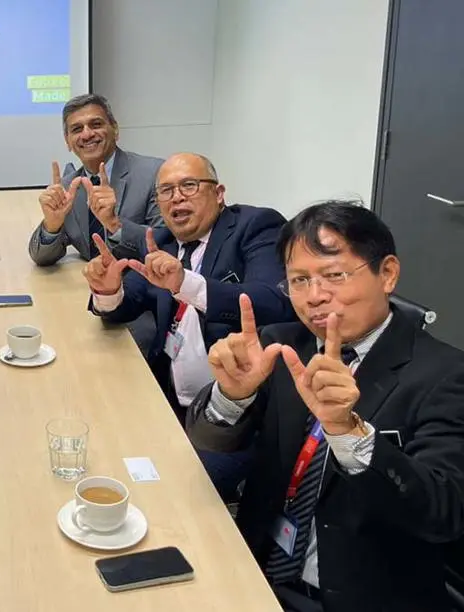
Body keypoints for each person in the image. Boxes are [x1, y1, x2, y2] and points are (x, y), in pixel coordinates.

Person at [187, 201, 464, 611]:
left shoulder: (446, 374)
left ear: (387, 273)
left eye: (334, 275)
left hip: (362, 596)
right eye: (299, 280)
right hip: (255, 572)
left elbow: (443, 511)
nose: (314, 297)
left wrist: (349, 432)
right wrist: (232, 396)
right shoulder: (281, 343)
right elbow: (212, 439)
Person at [85, 152, 293, 418]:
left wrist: (185, 283)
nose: (177, 197)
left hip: (237, 409)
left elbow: (274, 301)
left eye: (189, 186)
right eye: (166, 191)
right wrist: (108, 290)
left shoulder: (255, 226)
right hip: (168, 398)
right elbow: (129, 301)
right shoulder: (162, 240)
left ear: (218, 193)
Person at [28, 93, 164, 266]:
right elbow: (41, 257)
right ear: (68, 141)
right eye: (77, 129)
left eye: (96, 124)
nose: (87, 134)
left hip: (141, 284)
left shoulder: (155, 173)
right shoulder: (68, 187)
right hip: (90, 286)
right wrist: (52, 225)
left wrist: (115, 224)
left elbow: (167, 244)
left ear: (115, 130)